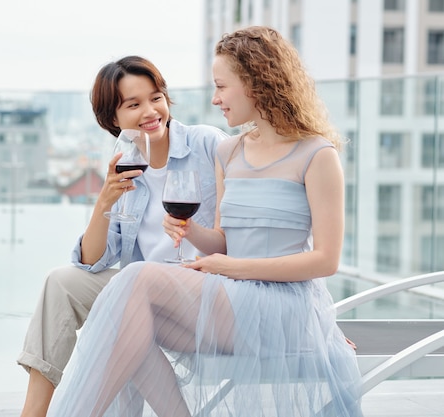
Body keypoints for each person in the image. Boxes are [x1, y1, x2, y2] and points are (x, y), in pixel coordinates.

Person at [45, 26, 364, 417]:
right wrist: (191, 231)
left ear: (255, 83)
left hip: (285, 310)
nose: (215, 99)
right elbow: (224, 242)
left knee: (137, 278)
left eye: (221, 86)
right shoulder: (229, 152)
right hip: (233, 302)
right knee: (128, 324)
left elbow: (325, 261)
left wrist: (231, 268)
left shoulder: (317, 155)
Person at [16, 55, 228, 417]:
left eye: (155, 97)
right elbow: (92, 261)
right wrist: (105, 199)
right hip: (142, 291)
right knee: (61, 282)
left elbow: (237, 232)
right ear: (112, 120)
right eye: (134, 104)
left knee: (126, 307)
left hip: (201, 290)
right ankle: (33, 412)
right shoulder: (127, 166)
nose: (150, 111)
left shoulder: (208, 145)